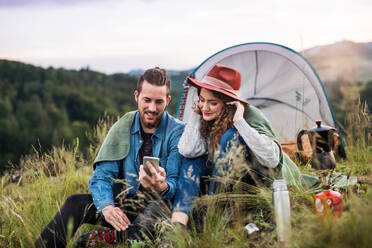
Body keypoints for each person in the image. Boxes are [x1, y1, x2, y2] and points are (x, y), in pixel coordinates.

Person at [35, 67, 185, 248]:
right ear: (136, 96)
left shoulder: (177, 131)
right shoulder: (123, 126)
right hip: (131, 203)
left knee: (154, 214)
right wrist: (106, 206)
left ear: (168, 100)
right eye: (147, 100)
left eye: (159, 102)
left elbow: (175, 184)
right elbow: (102, 176)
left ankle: (113, 238)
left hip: (160, 207)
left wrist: (162, 186)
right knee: (75, 203)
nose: (152, 108)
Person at [170, 64, 283, 226]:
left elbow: (272, 159)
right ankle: (177, 227)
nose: (205, 107)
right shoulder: (206, 115)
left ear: (229, 103)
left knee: (230, 136)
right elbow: (187, 150)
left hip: (252, 181)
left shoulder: (251, 116)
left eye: (213, 103)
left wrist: (239, 122)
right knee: (192, 162)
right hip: (223, 180)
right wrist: (196, 112)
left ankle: (209, 213)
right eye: (202, 100)